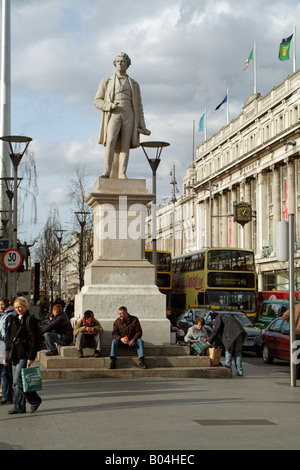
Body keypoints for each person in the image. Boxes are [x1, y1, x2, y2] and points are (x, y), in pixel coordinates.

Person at [94, 52, 150, 179]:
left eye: (123, 61)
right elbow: (97, 101)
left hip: (129, 113)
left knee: (125, 145)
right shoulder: (106, 81)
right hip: (114, 113)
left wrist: (143, 126)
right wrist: (109, 106)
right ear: (115, 64)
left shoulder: (134, 84)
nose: (120, 63)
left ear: (127, 64)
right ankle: (107, 172)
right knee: (110, 141)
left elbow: (139, 106)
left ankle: (122, 173)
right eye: (118, 61)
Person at [4, 297, 42, 414]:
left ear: (25, 306)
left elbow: (34, 340)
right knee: (16, 383)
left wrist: (31, 357)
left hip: (24, 354)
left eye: (20, 307)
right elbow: (10, 339)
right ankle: (19, 406)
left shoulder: (31, 320)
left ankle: (35, 400)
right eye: (15, 307)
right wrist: (6, 356)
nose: (18, 309)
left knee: (18, 380)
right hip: (14, 354)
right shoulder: (14, 319)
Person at [0, 298, 14, 405]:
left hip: (3, 347)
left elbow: (8, 335)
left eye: (1, 304)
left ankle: (7, 396)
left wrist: (4, 351)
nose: (0, 306)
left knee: (5, 373)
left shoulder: (9, 317)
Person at [282, 303, 300, 379]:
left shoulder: (295, 307)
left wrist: (292, 324)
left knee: (296, 355)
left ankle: (296, 374)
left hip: (295, 333)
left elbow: (284, 316)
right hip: (297, 332)